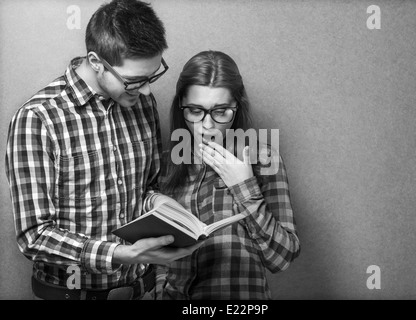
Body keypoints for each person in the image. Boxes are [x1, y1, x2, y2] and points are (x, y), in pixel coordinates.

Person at [4, 0, 202, 300]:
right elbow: (34, 236)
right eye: (134, 81)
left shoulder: (142, 104)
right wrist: (119, 254)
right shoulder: (38, 119)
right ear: (97, 61)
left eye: (152, 76)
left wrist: (158, 202)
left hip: (142, 291)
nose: (148, 91)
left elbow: (144, 187)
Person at [155, 50, 301, 299]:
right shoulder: (167, 165)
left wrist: (244, 185)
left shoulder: (263, 159)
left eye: (220, 111)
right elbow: (156, 254)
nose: (207, 125)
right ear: (182, 109)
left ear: (237, 107)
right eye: (195, 110)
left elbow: (282, 258)